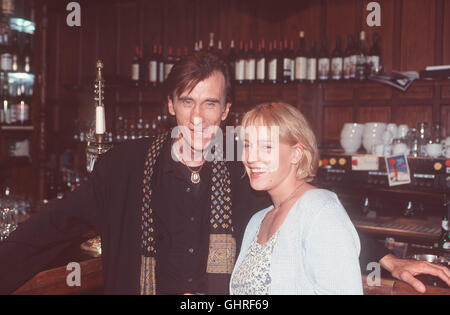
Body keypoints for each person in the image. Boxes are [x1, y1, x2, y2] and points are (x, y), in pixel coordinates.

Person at [0, 52, 448, 294]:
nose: (198, 117)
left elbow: (307, 211)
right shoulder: (125, 164)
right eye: (187, 101)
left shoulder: (246, 165)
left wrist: (384, 257)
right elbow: (53, 225)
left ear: (226, 110)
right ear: (170, 105)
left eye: (210, 103)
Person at [230, 102, 363, 294]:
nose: (251, 157)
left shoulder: (320, 210)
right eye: (248, 145)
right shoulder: (257, 220)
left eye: (266, 146)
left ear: (296, 154)